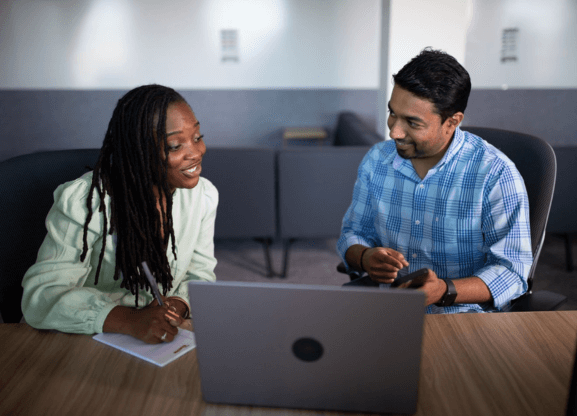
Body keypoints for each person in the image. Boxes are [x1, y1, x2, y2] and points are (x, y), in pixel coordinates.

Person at [337, 48, 533, 313]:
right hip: (390, 309)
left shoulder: (496, 174)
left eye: (412, 122)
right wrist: (365, 256)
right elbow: (353, 233)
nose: (394, 131)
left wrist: (444, 290)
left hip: (463, 317)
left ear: (452, 122)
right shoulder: (377, 160)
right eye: (392, 113)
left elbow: (513, 273)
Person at [21, 84, 218, 341]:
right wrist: (130, 320)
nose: (196, 152)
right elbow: (42, 295)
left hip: (159, 336)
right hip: (81, 338)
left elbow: (200, 273)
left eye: (197, 137)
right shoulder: (86, 201)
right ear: (139, 150)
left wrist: (175, 306)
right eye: (174, 145)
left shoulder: (202, 195)